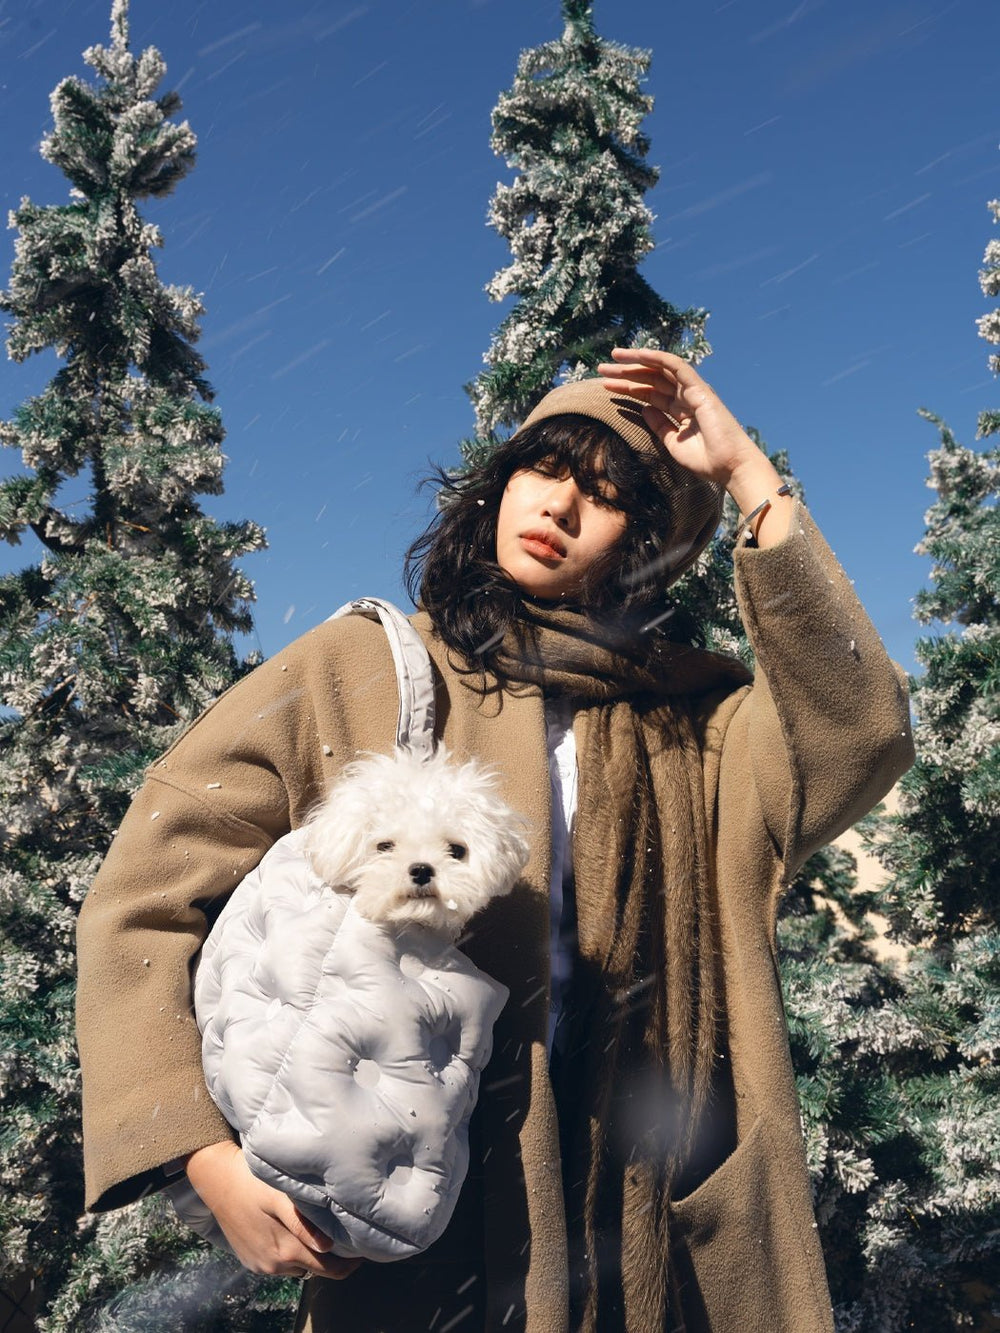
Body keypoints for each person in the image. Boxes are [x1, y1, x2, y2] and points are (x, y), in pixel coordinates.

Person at [75, 349, 914, 1333]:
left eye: (603, 498)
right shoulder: (361, 667)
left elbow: (858, 731)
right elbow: (145, 898)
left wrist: (749, 482)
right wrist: (202, 1156)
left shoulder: (699, 724)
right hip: (427, 1225)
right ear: (500, 482)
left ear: (644, 546)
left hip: (645, 1230)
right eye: (544, 468)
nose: (556, 508)